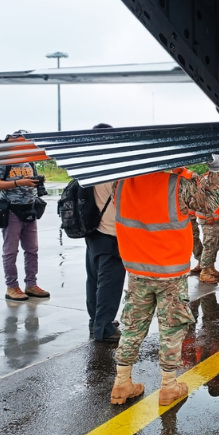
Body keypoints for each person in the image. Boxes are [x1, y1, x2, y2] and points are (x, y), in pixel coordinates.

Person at [109, 156, 219, 407]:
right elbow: (210, 206)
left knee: (132, 326)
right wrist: (214, 171)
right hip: (170, 272)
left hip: (136, 269)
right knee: (171, 329)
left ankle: (121, 383)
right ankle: (169, 386)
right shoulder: (177, 185)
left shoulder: (120, 183)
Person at [0, 132, 49, 303]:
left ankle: (31, 284)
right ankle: (12, 287)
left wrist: (37, 181)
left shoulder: (29, 160)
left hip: (29, 209)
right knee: (10, 251)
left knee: (32, 250)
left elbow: (31, 181)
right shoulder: (3, 160)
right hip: (11, 211)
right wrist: (18, 182)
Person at [86, 123, 124, 342]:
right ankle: (104, 329)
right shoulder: (113, 167)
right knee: (110, 283)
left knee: (94, 279)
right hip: (111, 233)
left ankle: (96, 322)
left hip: (93, 231)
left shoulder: (90, 163)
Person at [196, 162, 219, 283]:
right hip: (209, 218)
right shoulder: (206, 179)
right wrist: (207, 215)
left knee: (216, 243)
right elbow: (199, 199)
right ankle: (204, 271)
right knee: (209, 244)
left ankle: (211, 267)